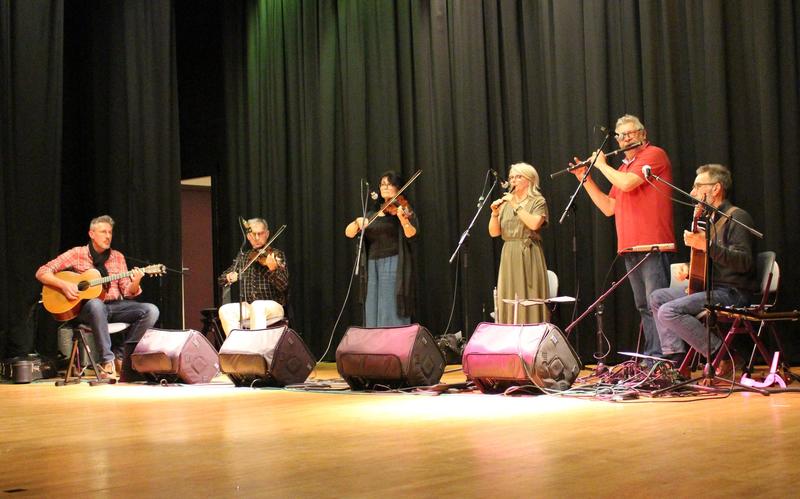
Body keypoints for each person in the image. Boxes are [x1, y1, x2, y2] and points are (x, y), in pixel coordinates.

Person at [570, 114, 675, 357]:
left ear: (643, 134)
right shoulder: (623, 167)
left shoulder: (653, 154)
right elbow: (609, 207)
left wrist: (602, 165)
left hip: (653, 245)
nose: (626, 139)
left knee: (657, 305)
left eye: (631, 133)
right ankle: (653, 359)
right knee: (644, 307)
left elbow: (628, 184)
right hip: (630, 247)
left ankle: (668, 360)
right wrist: (584, 179)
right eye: (621, 136)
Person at [650, 164, 758, 373]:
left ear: (716, 188)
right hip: (712, 289)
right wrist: (692, 269)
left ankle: (726, 356)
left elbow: (744, 262)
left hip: (733, 293)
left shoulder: (736, 217)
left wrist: (705, 245)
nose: (692, 193)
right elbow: (715, 259)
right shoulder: (711, 220)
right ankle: (677, 361)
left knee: (669, 311)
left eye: (698, 186)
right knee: (658, 297)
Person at [36, 215, 159, 381]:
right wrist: (64, 285)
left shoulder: (118, 257)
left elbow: (128, 292)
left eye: (110, 232)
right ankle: (107, 362)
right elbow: (42, 272)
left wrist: (136, 281)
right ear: (91, 234)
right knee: (96, 304)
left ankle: (122, 357)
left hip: (115, 306)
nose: (108, 236)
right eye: (103, 232)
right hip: (87, 309)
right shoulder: (77, 254)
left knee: (151, 310)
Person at [345, 171, 418, 327]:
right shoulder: (373, 213)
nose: (385, 187)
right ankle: (375, 346)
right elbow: (349, 233)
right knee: (372, 306)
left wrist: (403, 219)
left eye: (389, 183)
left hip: (392, 262)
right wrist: (357, 222)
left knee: (389, 307)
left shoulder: (402, 207)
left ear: (397, 187)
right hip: (371, 265)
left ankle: (393, 346)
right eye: (382, 184)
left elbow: (412, 234)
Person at [488, 162, 550, 324]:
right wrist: (494, 214)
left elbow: (534, 224)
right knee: (508, 295)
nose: (513, 180)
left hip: (529, 252)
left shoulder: (537, 201)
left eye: (518, 176)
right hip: (509, 252)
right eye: (511, 177)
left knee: (529, 297)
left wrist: (515, 204)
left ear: (529, 180)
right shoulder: (506, 203)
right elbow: (494, 232)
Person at [218, 218, 288, 335]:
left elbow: (284, 285)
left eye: (259, 234)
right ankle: (238, 348)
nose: (256, 238)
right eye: (252, 234)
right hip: (249, 305)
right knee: (225, 310)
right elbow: (221, 279)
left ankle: (256, 350)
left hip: (273, 306)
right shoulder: (244, 257)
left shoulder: (276, 254)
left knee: (258, 305)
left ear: (267, 234)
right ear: (248, 236)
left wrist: (272, 270)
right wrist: (230, 276)